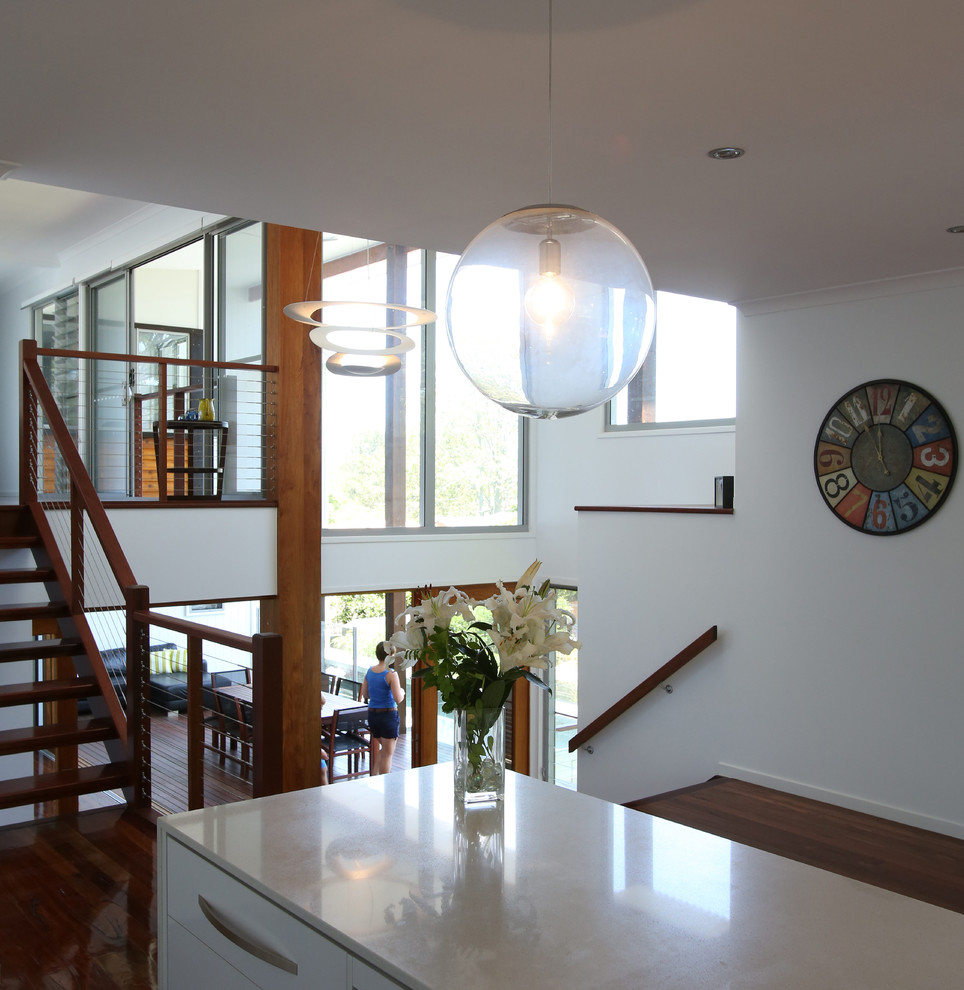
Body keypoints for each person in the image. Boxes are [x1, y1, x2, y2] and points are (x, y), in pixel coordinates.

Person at [361, 642, 405, 774]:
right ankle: (386, 784)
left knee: (384, 750)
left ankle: (374, 777)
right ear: (390, 655)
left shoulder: (370, 671)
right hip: (388, 716)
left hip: (373, 716)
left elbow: (365, 694)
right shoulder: (391, 674)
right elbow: (398, 698)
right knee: (387, 753)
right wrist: (402, 691)